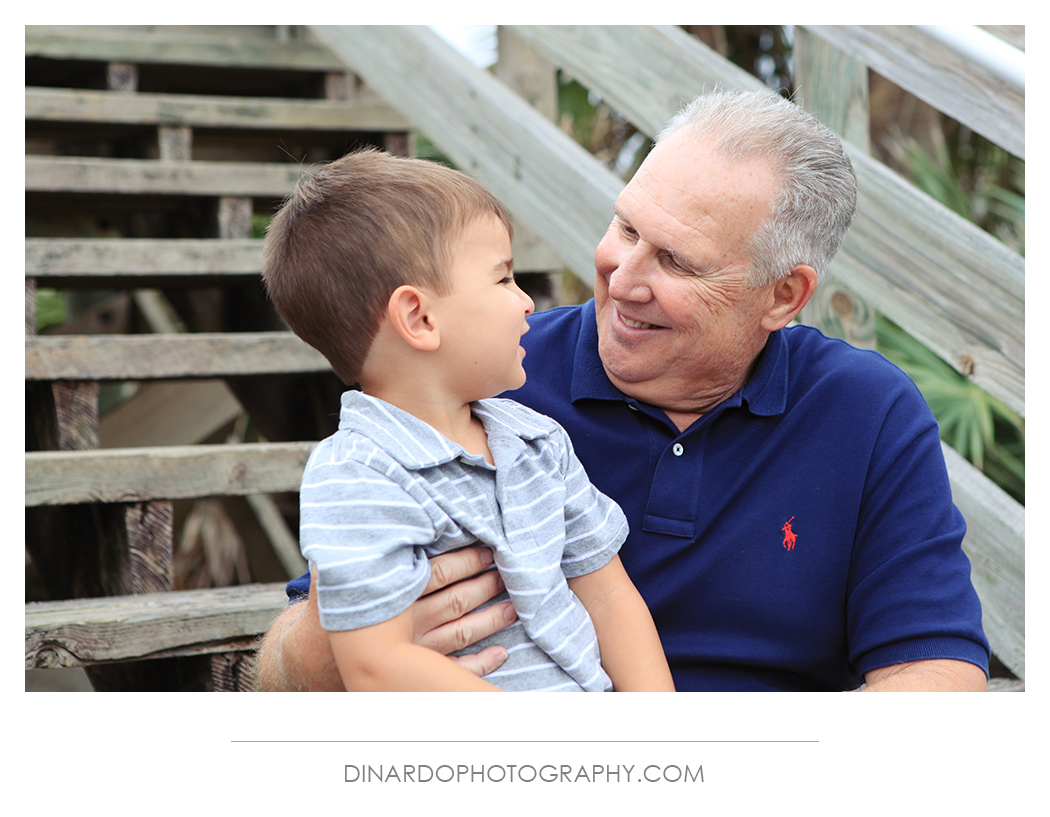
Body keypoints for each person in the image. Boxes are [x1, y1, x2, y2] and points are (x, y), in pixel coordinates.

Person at [257, 90, 990, 692]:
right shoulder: (481, 383)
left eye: (674, 259)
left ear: (783, 295)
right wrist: (342, 645)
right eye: (625, 225)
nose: (622, 275)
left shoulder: (866, 410)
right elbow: (298, 652)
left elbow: (935, 672)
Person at [260, 148, 674, 692]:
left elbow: (609, 595)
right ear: (419, 318)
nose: (527, 302)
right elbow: (375, 666)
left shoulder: (537, 441)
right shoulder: (357, 476)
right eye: (503, 279)